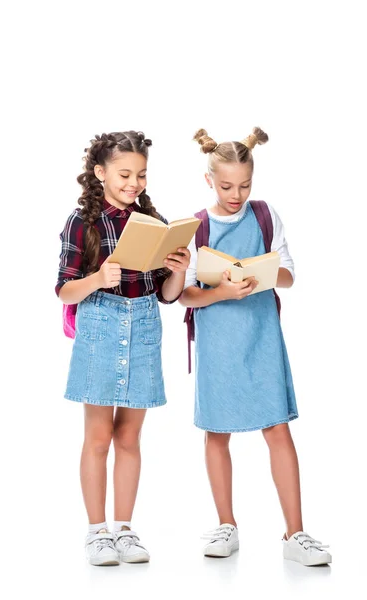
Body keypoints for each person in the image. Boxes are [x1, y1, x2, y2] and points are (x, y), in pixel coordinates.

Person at [179, 128, 331, 567]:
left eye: (245, 185)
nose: (237, 194)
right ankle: (226, 523)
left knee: (278, 429)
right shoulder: (198, 227)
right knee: (217, 432)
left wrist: (260, 273)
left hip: (262, 336)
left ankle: (295, 532)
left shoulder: (265, 216)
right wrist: (223, 291)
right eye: (227, 186)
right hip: (217, 340)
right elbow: (185, 295)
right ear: (209, 179)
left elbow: (288, 274)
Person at [56, 131, 190, 566]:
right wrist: (98, 279)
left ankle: (125, 530)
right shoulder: (83, 222)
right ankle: (97, 532)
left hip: (145, 324)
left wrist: (179, 271)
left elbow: (167, 296)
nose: (135, 183)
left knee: (129, 437)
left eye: (142, 175)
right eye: (125, 174)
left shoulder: (153, 220)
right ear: (101, 173)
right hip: (100, 323)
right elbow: (64, 291)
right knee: (98, 438)